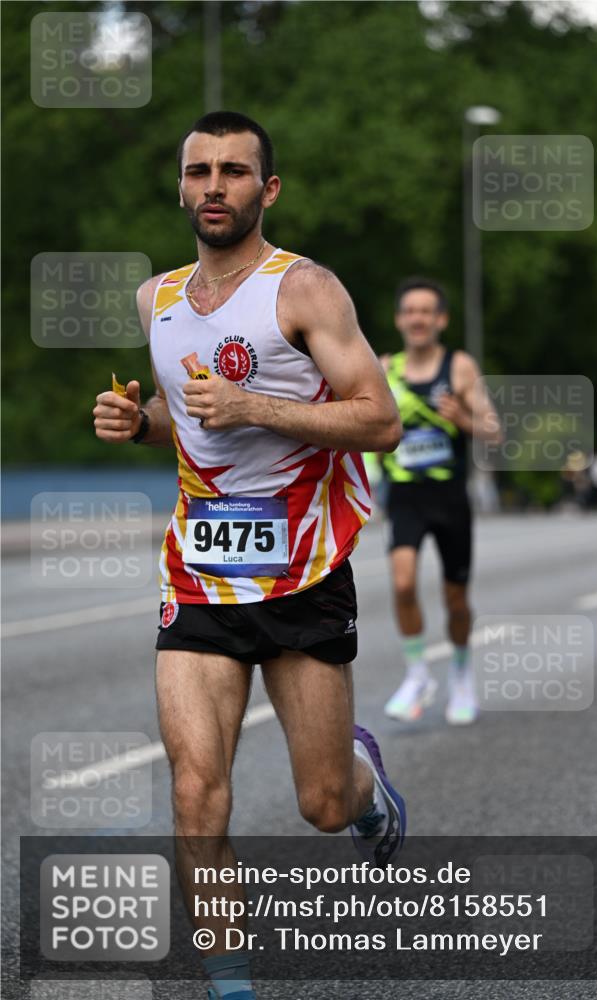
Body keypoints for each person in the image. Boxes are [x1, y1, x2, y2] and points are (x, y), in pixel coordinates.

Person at [93, 111, 406, 1000]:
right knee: (197, 791)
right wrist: (139, 424)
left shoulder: (303, 290)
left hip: (302, 570)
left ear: (266, 189)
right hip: (198, 571)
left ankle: (366, 792)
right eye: (199, 171)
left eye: (233, 171)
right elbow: (192, 421)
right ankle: (230, 983)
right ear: (181, 187)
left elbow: (378, 420)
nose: (213, 186)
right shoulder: (155, 299)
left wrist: (253, 406)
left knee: (322, 804)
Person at [380, 278, 501, 726]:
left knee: (456, 600)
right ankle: (417, 675)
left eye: (426, 311)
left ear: (441, 320)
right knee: (403, 584)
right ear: (399, 319)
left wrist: (462, 417)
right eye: (410, 311)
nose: (418, 318)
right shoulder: (385, 369)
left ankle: (462, 674)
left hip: (449, 498)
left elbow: (494, 431)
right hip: (404, 496)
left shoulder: (459, 367)